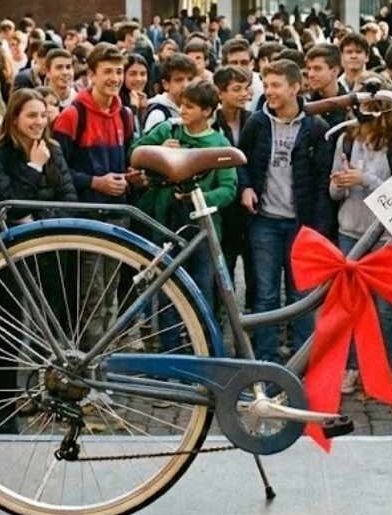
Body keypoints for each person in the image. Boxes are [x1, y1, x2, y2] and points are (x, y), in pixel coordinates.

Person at [0, 89, 77, 432]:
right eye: (31, 115)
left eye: (42, 114)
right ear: (14, 118)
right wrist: (34, 168)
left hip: (51, 247)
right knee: (10, 327)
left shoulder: (54, 149)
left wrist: (36, 213)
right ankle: (6, 408)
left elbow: (68, 198)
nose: (39, 122)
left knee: (52, 327)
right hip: (13, 253)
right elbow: (9, 202)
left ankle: (47, 394)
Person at [237, 59, 332, 362]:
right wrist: (246, 187)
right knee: (265, 295)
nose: (269, 91)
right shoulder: (257, 123)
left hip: (301, 225)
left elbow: (322, 182)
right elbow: (241, 162)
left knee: (301, 296)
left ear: (295, 88)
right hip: (264, 222)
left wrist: (317, 229)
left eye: (276, 85)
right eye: (266, 85)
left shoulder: (316, 127)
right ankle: (266, 359)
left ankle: (302, 361)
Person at [132, 80, 238, 347]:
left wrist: (200, 198)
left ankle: (202, 347)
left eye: (190, 106)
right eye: (182, 105)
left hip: (202, 225)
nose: (183, 111)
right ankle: (171, 349)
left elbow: (228, 188)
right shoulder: (169, 129)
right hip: (167, 220)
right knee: (167, 289)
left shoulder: (218, 143)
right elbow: (136, 151)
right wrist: (160, 152)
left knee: (201, 289)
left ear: (207, 111)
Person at [329, 74, 392, 394]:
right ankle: (351, 367)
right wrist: (339, 183)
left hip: (385, 236)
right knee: (351, 305)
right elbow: (334, 192)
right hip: (350, 231)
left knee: (388, 309)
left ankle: (384, 369)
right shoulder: (346, 139)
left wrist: (364, 179)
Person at [53, 44, 140, 205]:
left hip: (119, 210)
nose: (115, 78)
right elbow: (56, 171)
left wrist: (132, 176)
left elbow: (128, 163)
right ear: (91, 75)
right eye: (107, 71)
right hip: (83, 213)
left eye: (119, 71)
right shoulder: (72, 116)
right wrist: (94, 182)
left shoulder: (125, 115)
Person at [212, 65, 256, 310]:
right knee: (223, 266)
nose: (243, 94)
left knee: (254, 267)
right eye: (236, 89)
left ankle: (253, 315)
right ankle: (222, 314)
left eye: (246, 88)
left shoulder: (253, 120)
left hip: (251, 206)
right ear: (220, 93)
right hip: (225, 205)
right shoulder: (212, 123)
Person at [143, 53, 197, 132]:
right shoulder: (158, 114)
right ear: (166, 84)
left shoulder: (196, 110)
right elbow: (149, 139)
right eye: (179, 80)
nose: (186, 85)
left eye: (190, 79)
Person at [119, 53, 150, 135]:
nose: (138, 79)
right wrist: (133, 110)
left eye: (143, 74)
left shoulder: (144, 100)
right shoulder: (115, 102)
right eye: (132, 74)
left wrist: (142, 111)